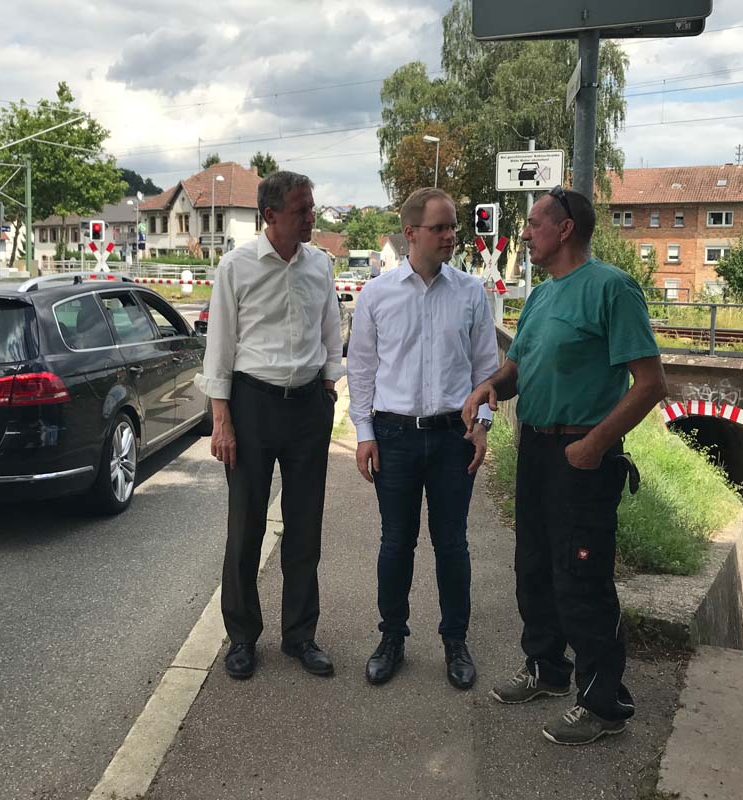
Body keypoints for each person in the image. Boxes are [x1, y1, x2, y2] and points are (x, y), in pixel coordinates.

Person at [462, 186, 667, 745]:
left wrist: (596, 444)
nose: (524, 234)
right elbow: (518, 367)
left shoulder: (612, 289)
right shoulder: (542, 297)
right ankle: (546, 670)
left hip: (582, 455)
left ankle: (603, 703)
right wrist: (488, 386)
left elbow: (651, 384)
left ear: (565, 228)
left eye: (532, 224)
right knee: (534, 567)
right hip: (537, 449)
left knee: (582, 579)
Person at [347, 187, 499, 690]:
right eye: (440, 228)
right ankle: (392, 637)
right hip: (394, 436)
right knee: (396, 543)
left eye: (453, 226)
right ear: (410, 233)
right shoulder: (376, 295)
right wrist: (364, 434)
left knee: (452, 544)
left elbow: (486, 373)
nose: (452, 235)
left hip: (454, 438)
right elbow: (362, 370)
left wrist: (483, 427)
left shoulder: (471, 293)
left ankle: (455, 641)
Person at [195, 171, 344, 680]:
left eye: (312, 206)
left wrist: (328, 388)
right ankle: (241, 637)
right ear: (271, 216)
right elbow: (220, 347)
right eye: (302, 209)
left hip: (307, 408)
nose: (311, 216)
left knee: (305, 528)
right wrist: (222, 420)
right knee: (246, 528)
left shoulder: (320, 264)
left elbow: (331, 330)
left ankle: (300, 635)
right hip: (252, 406)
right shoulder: (236, 268)